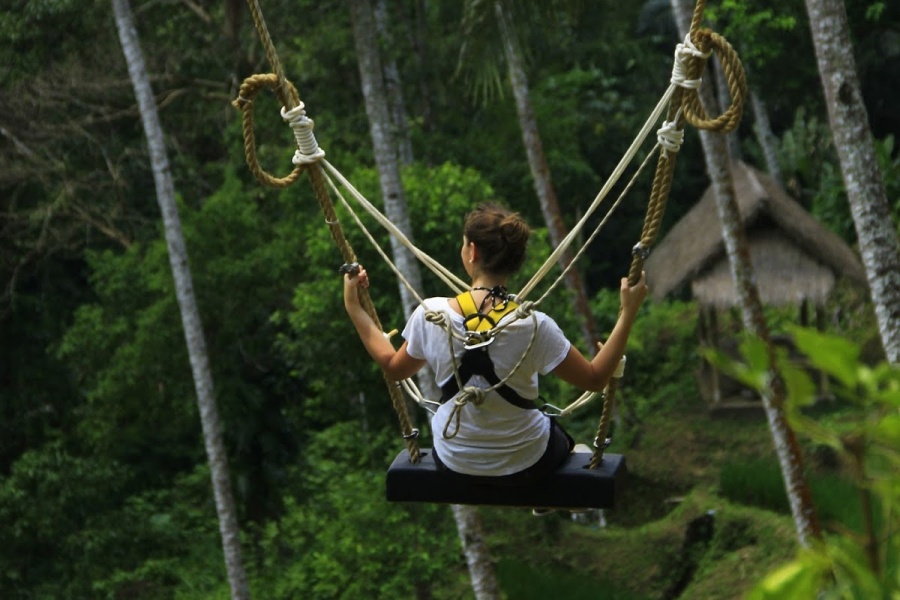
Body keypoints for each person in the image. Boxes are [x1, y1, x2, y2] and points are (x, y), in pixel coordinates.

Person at [343, 202, 648, 485]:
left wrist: (354, 307)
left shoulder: (432, 314)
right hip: (528, 460)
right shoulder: (534, 325)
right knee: (565, 444)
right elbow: (594, 379)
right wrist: (628, 313)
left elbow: (393, 368)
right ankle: (545, 493)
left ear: (472, 252)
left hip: (454, 460)